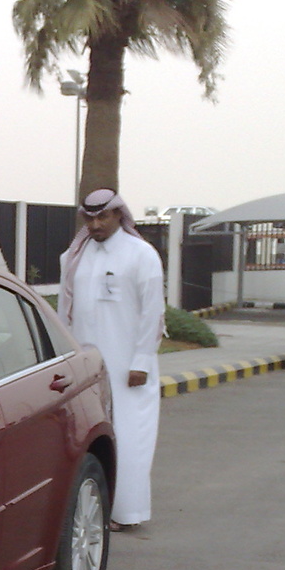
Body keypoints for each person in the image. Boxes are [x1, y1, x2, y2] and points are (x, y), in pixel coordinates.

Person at [58, 188, 165, 531]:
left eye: (103, 216)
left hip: (128, 367)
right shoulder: (74, 257)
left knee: (131, 437)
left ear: (119, 215)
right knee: (87, 436)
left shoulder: (141, 255)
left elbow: (153, 313)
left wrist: (142, 362)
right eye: (89, 218)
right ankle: (92, 510)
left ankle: (126, 512)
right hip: (87, 365)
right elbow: (65, 312)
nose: (95, 224)